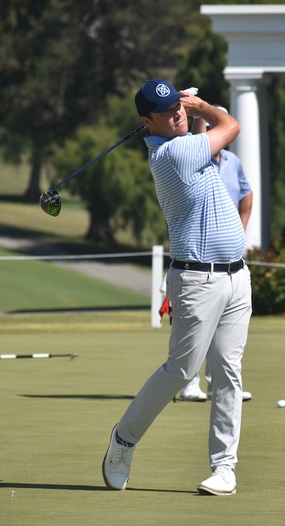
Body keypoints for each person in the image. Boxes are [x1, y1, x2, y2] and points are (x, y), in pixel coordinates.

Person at [102, 80, 252, 495]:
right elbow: (231, 125)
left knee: (228, 372)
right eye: (167, 112)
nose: (178, 115)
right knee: (182, 370)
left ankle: (224, 468)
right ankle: (124, 439)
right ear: (147, 122)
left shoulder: (185, 142)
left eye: (179, 107)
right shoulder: (173, 154)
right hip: (197, 280)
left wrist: (194, 112)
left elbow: (204, 131)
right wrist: (202, 105)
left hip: (237, 277)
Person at [179, 105, 254, 403]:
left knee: (225, 333)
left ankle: (218, 384)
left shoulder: (233, 162)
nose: (214, 130)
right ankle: (189, 383)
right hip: (199, 260)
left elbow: (246, 194)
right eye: (209, 125)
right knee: (198, 328)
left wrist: (241, 229)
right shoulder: (194, 157)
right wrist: (198, 116)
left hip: (231, 262)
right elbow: (196, 140)